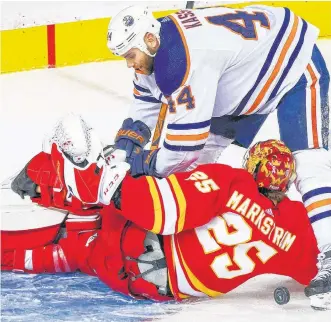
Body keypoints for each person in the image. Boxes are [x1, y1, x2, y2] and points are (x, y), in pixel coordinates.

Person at [106, 5, 331, 303]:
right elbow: (147, 101)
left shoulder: (179, 60)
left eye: (130, 56)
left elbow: (184, 146)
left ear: (149, 40)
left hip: (293, 61)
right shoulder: (156, 49)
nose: (129, 64)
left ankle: (329, 252)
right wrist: (126, 147)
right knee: (197, 163)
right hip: (243, 72)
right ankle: (178, 232)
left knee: (308, 161)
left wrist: (144, 164)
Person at [2, 115, 326, 308]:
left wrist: (123, 178)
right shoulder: (297, 225)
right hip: (150, 286)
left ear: (252, 164)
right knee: (75, 253)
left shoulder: (233, 181)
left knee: (95, 217)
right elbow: (319, 270)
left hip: (135, 244)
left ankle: (77, 178)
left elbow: (163, 210)